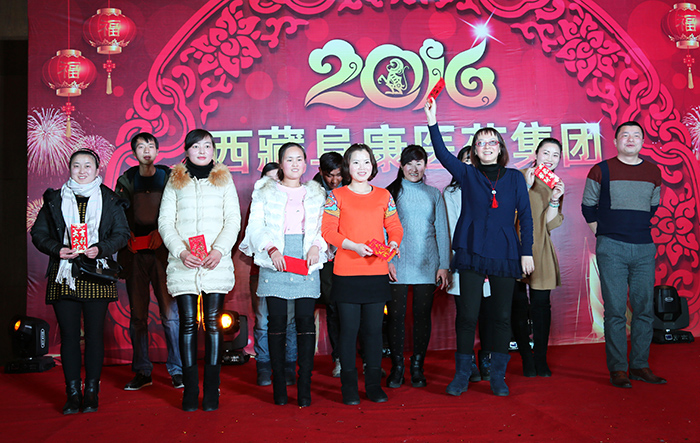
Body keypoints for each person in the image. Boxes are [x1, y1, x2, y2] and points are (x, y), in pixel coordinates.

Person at [424, 97, 534, 397]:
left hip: (505, 252)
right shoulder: (467, 174)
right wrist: (432, 121)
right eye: (480, 142)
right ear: (474, 150)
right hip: (471, 250)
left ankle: (497, 377)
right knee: (467, 316)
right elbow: (442, 154)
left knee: (501, 317)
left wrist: (526, 251)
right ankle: (462, 376)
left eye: (492, 142)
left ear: (500, 148)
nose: (487, 146)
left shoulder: (515, 178)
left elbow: (525, 216)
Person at [31, 148, 129, 414]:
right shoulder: (54, 199)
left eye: (88, 166)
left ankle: (92, 392)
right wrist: (57, 249)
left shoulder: (110, 199)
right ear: (70, 169)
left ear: (97, 170)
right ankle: (73, 394)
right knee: (70, 336)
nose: (82, 170)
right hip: (64, 274)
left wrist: (101, 248)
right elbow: (38, 233)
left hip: (96, 274)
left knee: (95, 336)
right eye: (77, 165)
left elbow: (122, 234)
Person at [158, 129, 241, 411]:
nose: (202, 151)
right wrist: (181, 251)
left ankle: (212, 390)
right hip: (185, 262)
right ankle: (191, 390)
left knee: (214, 323)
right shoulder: (175, 181)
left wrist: (219, 250)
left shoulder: (224, 180)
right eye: (196, 146)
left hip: (215, 261)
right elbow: (165, 222)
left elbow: (233, 220)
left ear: (214, 150)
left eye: (207, 146)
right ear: (187, 151)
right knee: (188, 323)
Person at [240, 142, 327, 407]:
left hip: (306, 260)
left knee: (305, 323)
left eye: (299, 159)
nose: (295, 164)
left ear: (306, 163)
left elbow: (324, 227)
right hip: (274, 260)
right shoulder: (265, 192)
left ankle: (304, 387)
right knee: (276, 323)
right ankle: (279, 386)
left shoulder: (316, 193)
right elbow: (255, 226)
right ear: (281, 164)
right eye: (289, 159)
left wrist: (317, 245)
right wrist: (272, 248)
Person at [581, 121, 665, 388]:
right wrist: (604, 233)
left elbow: (653, 207)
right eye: (625, 135)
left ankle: (640, 365)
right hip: (611, 248)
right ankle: (618, 369)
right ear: (616, 140)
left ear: (642, 141)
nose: (631, 139)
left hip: (644, 247)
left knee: (644, 309)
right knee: (615, 310)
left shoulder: (653, 171)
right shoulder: (601, 170)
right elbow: (587, 207)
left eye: (636, 135)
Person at [322, 143, 403, 405]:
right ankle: (348, 386)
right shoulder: (337, 196)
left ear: (373, 165)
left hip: (376, 271)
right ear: (347, 166)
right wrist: (353, 246)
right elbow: (328, 231)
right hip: (346, 271)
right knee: (348, 331)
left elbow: (394, 226)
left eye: (366, 161)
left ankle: (373, 385)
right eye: (355, 162)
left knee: (373, 331)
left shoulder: (383, 195)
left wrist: (393, 244)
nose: (361, 167)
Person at [116, 132, 183, 391]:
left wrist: (162, 233)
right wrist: (126, 234)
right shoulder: (126, 179)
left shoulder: (168, 176)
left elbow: (181, 210)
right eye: (141, 146)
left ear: (157, 150)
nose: (146, 150)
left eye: (150, 146)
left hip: (163, 254)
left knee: (170, 315)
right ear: (133, 152)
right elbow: (117, 213)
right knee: (138, 317)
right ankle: (142, 371)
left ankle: (177, 370)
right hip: (135, 255)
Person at [385, 145, 449, 388]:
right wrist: (387, 260)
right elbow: (382, 231)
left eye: (419, 163)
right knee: (396, 317)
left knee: (422, 317)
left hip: (427, 262)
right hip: (397, 263)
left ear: (425, 166)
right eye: (409, 163)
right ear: (401, 166)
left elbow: (442, 231)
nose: (414, 168)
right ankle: (397, 367)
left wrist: (444, 265)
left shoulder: (434, 194)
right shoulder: (390, 193)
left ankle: (417, 367)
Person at [512, 138, 565, 377]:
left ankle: (541, 358)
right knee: (518, 306)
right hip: (514, 247)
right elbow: (508, 212)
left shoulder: (556, 184)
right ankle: (526, 357)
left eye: (555, 155)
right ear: (536, 154)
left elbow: (550, 224)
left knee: (541, 306)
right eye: (546, 153)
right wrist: (526, 186)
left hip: (540, 247)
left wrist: (555, 198)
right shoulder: (519, 176)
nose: (550, 159)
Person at [443, 145, 491, 383]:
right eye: (466, 161)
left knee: (488, 314)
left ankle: (487, 358)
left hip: (490, 260)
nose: (471, 165)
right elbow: (452, 229)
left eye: (474, 161)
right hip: (463, 258)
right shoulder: (451, 193)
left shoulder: (493, 188)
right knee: (466, 315)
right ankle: (467, 360)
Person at [248, 162, 298, 387]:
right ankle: (263, 365)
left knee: (289, 321)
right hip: (261, 271)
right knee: (262, 320)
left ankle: (289, 366)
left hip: (289, 271)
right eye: (268, 179)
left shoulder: (294, 202)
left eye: (277, 178)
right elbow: (249, 238)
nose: (274, 183)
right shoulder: (257, 205)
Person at [312, 151, 345, 377]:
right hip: (325, 258)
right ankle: (339, 359)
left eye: (338, 175)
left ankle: (364, 359)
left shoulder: (351, 186)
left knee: (355, 308)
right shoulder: (312, 191)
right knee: (334, 308)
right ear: (321, 172)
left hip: (350, 253)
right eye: (330, 175)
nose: (335, 180)